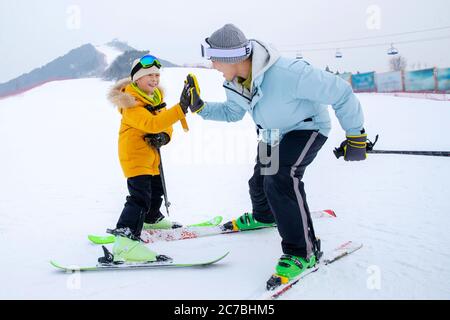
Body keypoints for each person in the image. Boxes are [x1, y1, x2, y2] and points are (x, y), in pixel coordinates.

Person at [186, 24, 367, 282]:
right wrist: (200, 107)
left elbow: (340, 91)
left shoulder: (288, 73)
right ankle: (264, 216)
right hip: (271, 133)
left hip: (307, 127)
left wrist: (356, 135)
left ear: (232, 57)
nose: (213, 66)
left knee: (280, 177)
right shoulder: (234, 84)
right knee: (259, 182)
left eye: (215, 59)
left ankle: (302, 252)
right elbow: (232, 113)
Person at [106, 54, 192, 263]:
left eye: (156, 75)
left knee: (156, 190)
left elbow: (163, 124)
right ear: (136, 80)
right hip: (135, 157)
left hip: (151, 155)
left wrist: (165, 136)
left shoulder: (155, 99)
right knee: (139, 197)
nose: (154, 79)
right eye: (149, 76)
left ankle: (151, 219)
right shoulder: (130, 104)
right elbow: (152, 124)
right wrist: (180, 108)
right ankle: (124, 242)